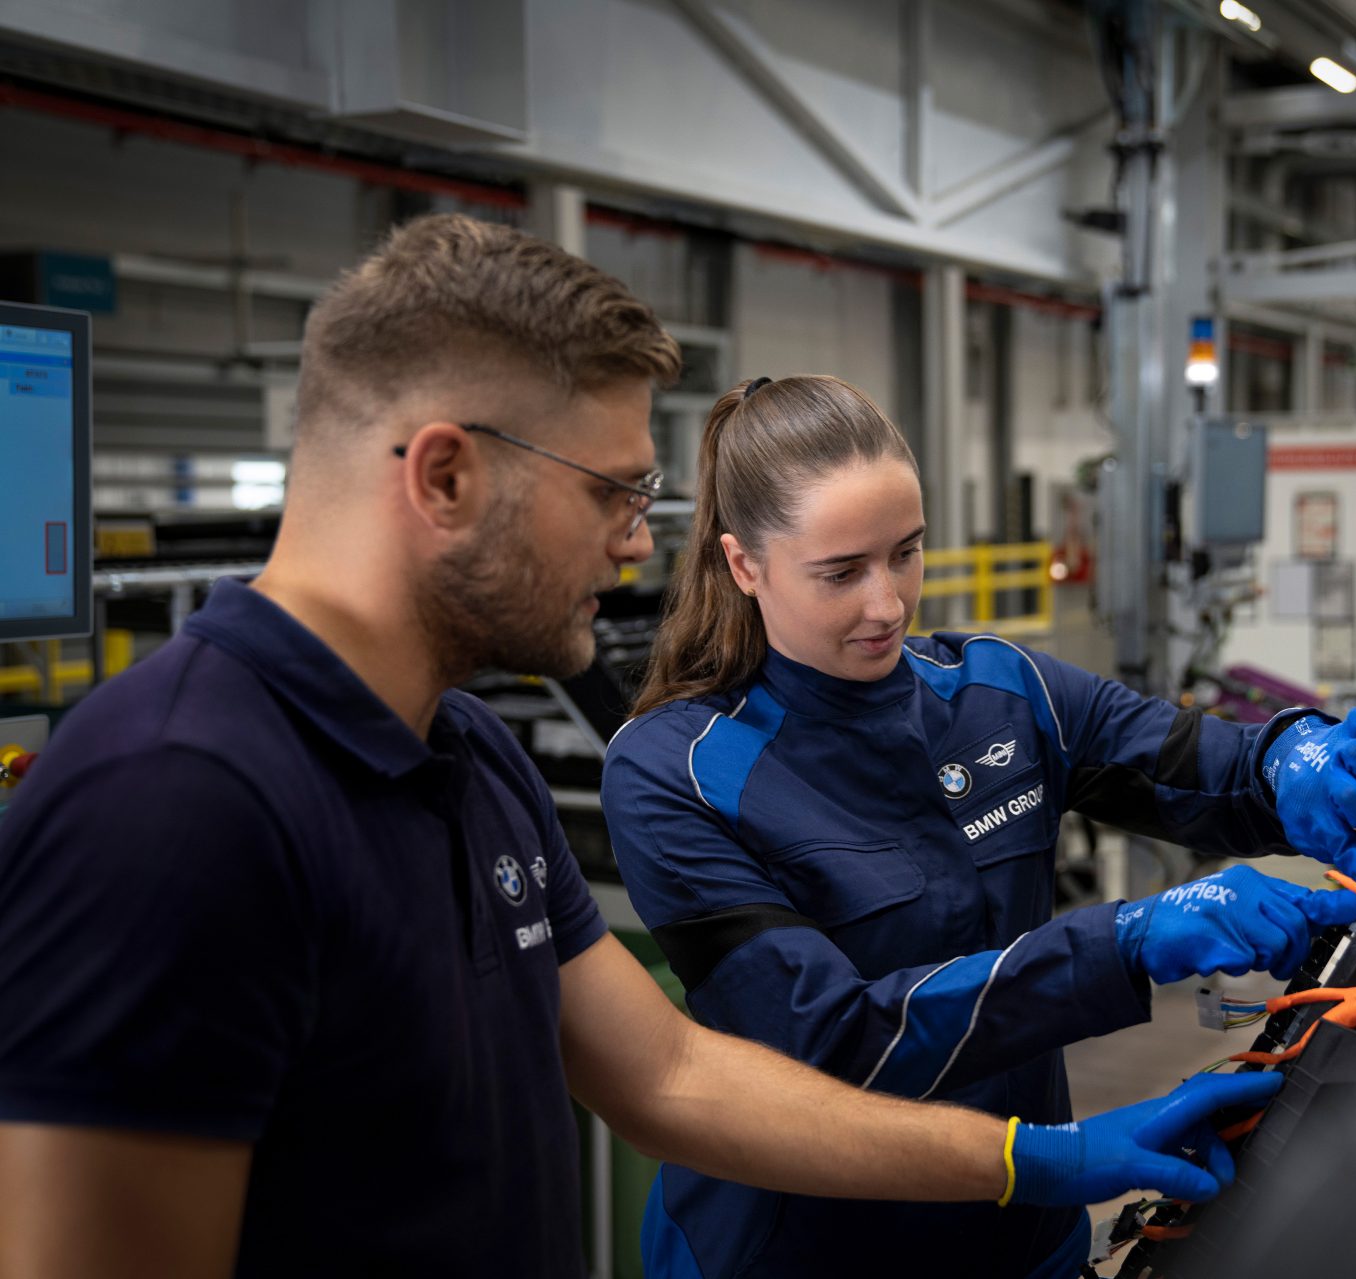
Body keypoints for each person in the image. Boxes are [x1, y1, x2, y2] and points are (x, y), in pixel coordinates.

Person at [0, 216, 1287, 1277]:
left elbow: (672, 1075)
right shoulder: (171, 803)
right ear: (444, 477)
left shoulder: (468, 761)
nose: (634, 542)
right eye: (613, 491)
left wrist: (1037, 1162)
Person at [602, 374, 1356, 1279]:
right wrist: (1125, 942)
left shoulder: (1002, 691)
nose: (889, 604)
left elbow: (1204, 764)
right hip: (803, 1253)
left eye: (904, 553)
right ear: (745, 564)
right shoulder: (678, 770)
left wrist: (1291, 760)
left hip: (1023, 1242)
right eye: (841, 572)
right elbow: (832, 1043)